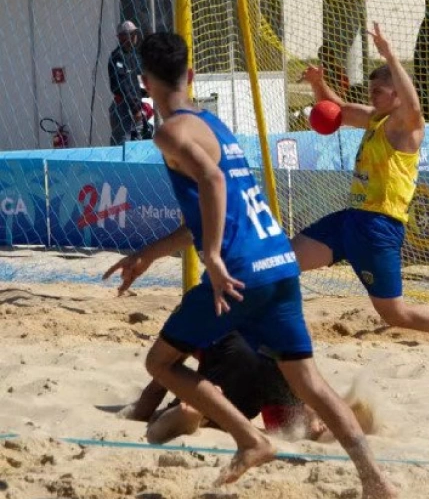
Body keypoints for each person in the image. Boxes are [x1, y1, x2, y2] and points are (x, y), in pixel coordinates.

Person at [103, 32, 396, 497]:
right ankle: (375, 479)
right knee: (310, 383)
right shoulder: (213, 124)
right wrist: (148, 254)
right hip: (280, 260)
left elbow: (213, 182)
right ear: (191, 76)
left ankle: (250, 439)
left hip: (241, 272)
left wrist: (214, 257)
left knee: (159, 361)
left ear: (144, 82)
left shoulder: (168, 131)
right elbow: (211, 208)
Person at [297, 23, 429, 342]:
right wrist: (318, 84)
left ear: (396, 94)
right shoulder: (376, 118)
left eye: (378, 91)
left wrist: (389, 54)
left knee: (395, 313)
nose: (371, 95)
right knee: (283, 261)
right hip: (351, 219)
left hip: (379, 227)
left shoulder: (408, 126)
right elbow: (339, 111)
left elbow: (413, 105)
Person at [125, 331, 317, 444]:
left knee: (161, 424)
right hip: (278, 361)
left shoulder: (198, 306)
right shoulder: (269, 299)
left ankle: (192, 413)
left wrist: (140, 414)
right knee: (290, 429)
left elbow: (160, 379)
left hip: (230, 366)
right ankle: (312, 421)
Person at [108, 21, 146, 146]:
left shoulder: (135, 55)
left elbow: (140, 78)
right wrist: (135, 109)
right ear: (121, 37)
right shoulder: (117, 57)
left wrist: (145, 101)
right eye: (131, 34)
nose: (135, 36)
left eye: (135, 33)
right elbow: (123, 85)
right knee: (124, 142)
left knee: (139, 141)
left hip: (137, 104)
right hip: (123, 106)